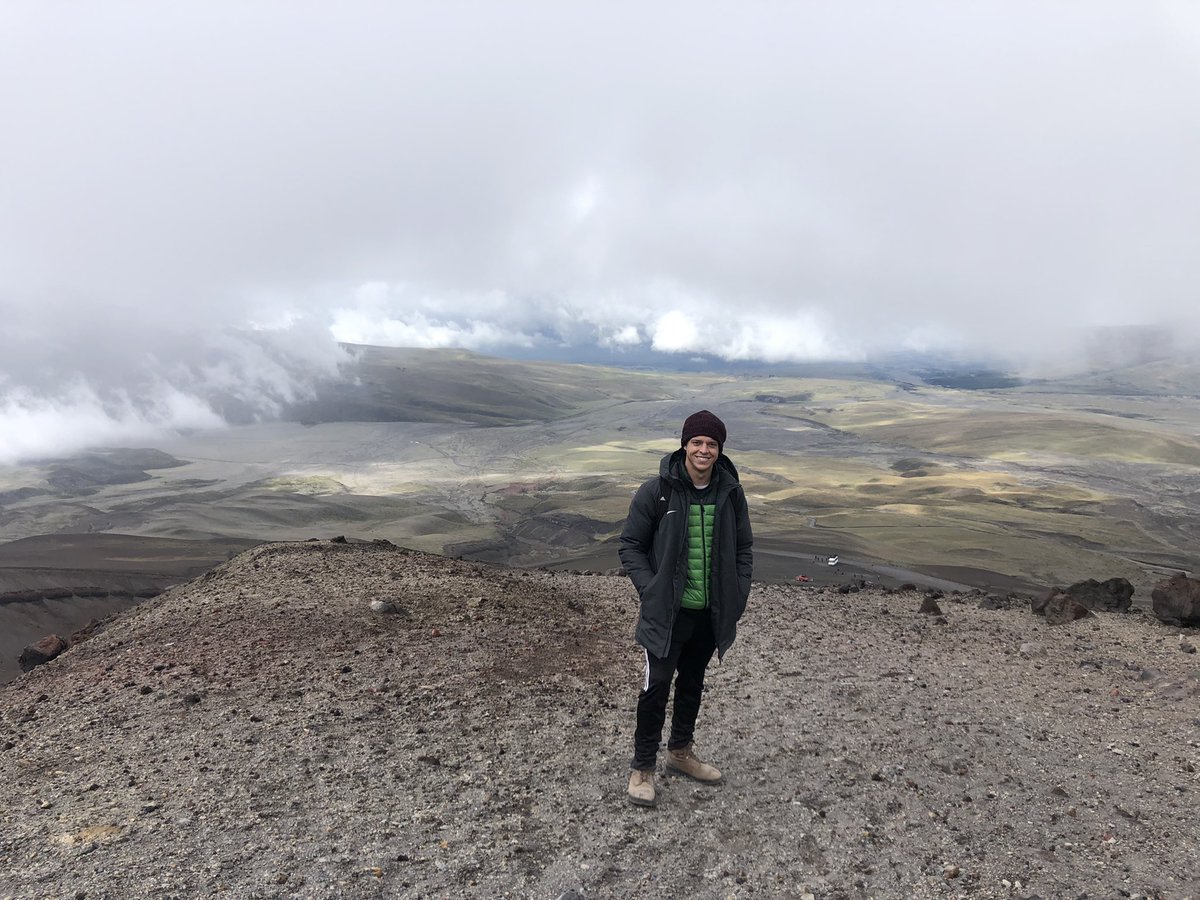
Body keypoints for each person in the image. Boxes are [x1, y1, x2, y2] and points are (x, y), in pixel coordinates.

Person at [618, 409, 753, 807]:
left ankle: (680, 753)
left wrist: (738, 592)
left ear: (720, 450)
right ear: (684, 444)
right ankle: (642, 766)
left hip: (708, 614)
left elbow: (743, 548)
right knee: (656, 686)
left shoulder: (730, 492)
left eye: (712, 444)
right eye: (697, 442)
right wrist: (652, 589)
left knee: (692, 683)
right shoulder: (657, 491)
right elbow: (630, 546)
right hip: (668, 613)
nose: (704, 450)